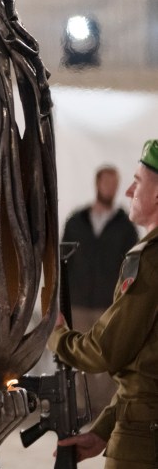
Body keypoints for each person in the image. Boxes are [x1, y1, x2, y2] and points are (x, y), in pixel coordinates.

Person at [48, 139, 158, 468]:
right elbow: (147, 367)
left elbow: (105, 351)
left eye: (137, 182)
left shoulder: (150, 260)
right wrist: (103, 431)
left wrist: (56, 334)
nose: (128, 192)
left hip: (142, 439)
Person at [61, 164, 139, 416]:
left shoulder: (125, 226)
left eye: (114, 184)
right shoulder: (76, 221)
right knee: (79, 356)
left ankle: (103, 412)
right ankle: (81, 409)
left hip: (109, 303)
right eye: (107, 183)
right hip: (79, 302)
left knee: (106, 359)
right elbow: (63, 262)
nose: (111, 188)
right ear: (97, 184)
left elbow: (132, 265)